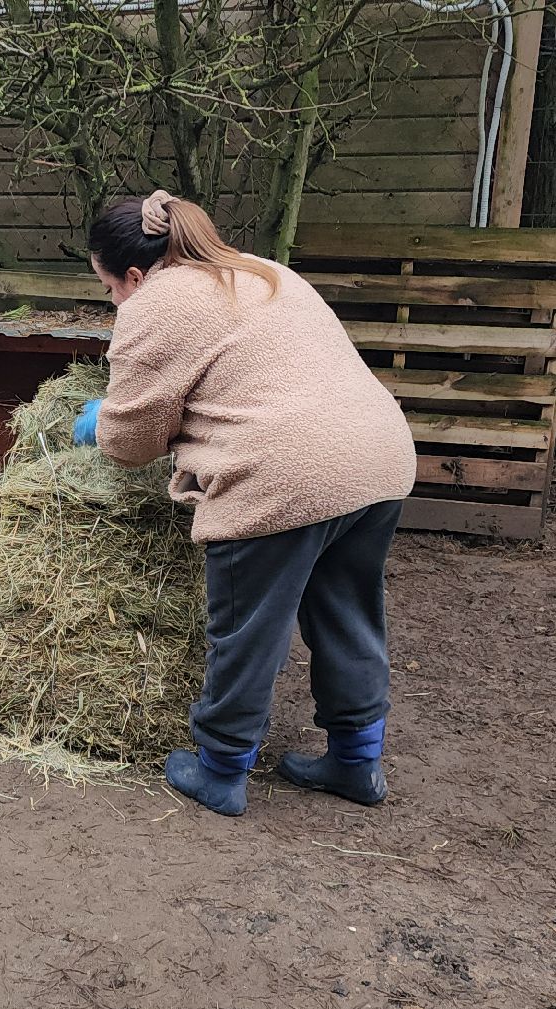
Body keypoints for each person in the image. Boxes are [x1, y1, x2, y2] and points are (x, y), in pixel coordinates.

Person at [74, 190, 416, 817]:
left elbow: (130, 444)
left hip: (284, 472)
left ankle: (221, 769)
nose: (115, 302)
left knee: (247, 627)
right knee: (348, 612)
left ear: (132, 274)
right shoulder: (259, 271)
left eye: (109, 289)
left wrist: (102, 422)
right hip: (378, 461)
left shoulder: (158, 302)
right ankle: (356, 760)